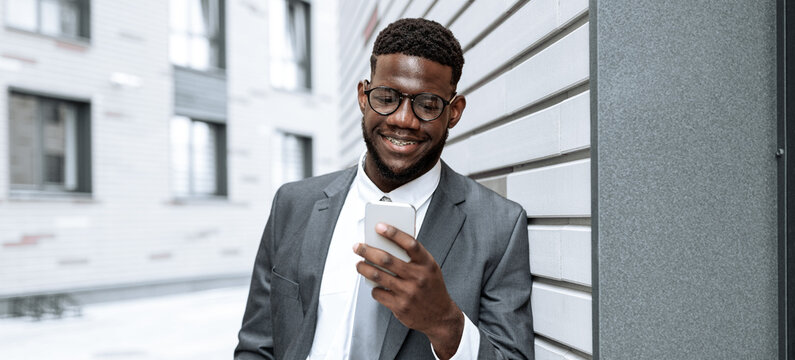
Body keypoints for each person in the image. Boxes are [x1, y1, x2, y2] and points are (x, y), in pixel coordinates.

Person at [235, 18, 533, 360]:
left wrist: (445, 324)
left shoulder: (499, 226)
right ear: (363, 96)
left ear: (454, 112)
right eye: (388, 97)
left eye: (427, 104)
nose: (403, 119)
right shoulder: (293, 204)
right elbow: (257, 346)